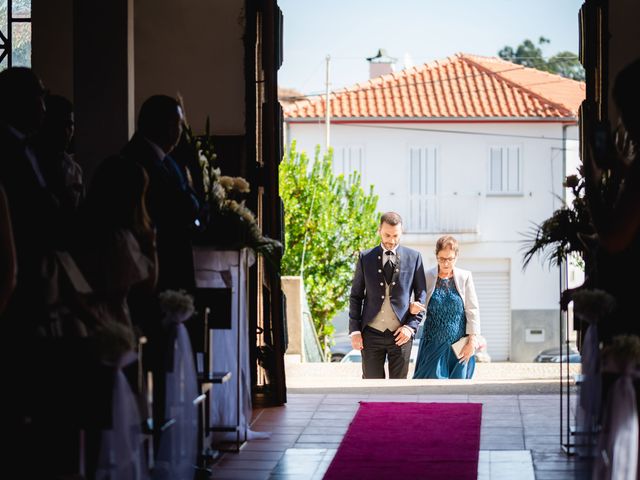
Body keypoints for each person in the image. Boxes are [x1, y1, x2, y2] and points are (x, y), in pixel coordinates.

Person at [122, 95, 200, 293]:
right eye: (178, 124)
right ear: (166, 126)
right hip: (158, 263)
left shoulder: (167, 160)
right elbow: (176, 207)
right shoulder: (137, 160)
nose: (181, 131)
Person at [349, 212, 426, 379]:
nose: (391, 240)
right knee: (371, 386)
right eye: (387, 235)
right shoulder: (365, 257)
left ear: (401, 232)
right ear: (379, 231)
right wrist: (355, 331)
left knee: (399, 390)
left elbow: (422, 298)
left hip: (401, 334)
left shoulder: (414, 258)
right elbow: (356, 296)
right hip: (371, 333)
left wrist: (410, 327)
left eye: (396, 236)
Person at [411, 235, 480, 379]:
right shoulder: (427, 276)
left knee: (458, 390)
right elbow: (416, 304)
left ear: (456, 257)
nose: (446, 263)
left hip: (459, 345)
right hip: (433, 343)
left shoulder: (465, 276)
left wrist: (472, 341)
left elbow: (472, 310)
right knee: (429, 387)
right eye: (442, 259)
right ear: (436, 256)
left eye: (450, 259)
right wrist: (412, 308)